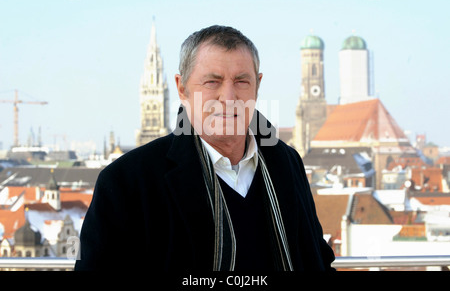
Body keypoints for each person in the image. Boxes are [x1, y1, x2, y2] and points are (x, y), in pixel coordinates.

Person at [75, 25, 335, 272]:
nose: (229, 97)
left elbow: (317, 260)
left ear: (257, 86)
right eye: (212, 82)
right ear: (182, 88)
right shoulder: (128, 181)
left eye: (242, 81)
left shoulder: (286, 163)